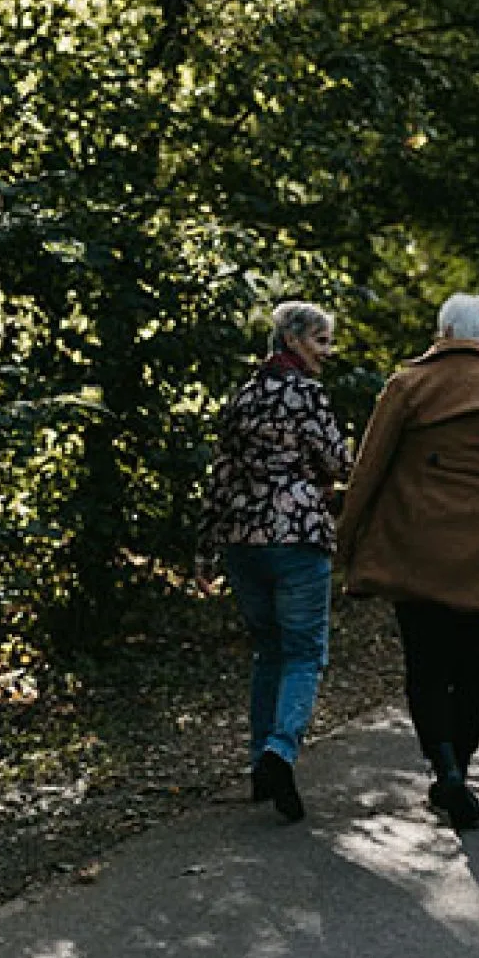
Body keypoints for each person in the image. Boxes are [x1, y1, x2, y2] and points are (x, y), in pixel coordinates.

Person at [333, 292, 479, 830]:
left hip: (415, 548)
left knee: (424, 665)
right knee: (473, 666)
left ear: (443, 330)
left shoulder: (407, 386)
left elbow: (369, 469)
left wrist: (346, 540)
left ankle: (444, 768)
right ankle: (459, 771)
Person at [196, 299, 349, 822]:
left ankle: (258, 761)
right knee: (305, 653)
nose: (327, 353)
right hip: (296, 536)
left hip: (241, 539)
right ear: (292, 341)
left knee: (268, 650)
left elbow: (222, 474)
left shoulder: (241, 397)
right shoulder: (306, 395)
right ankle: (279, 751)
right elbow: (338, 460)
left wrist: (203, 547)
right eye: (321, 341)